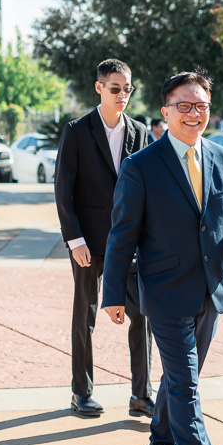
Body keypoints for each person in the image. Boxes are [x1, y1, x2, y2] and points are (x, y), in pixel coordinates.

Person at [102, 71, 223, 445]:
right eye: (184, 105)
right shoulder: (141, 166)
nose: (194, 113)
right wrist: (113, 293)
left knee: (179, 381)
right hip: (165, 292)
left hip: (212, 289)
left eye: (201, 106)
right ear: (166, 111)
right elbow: (122, 234)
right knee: (186, 384)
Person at [55, 59, 154, 420]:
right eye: (115, 88)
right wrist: (74, 239)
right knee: (86, 315)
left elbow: (148, 189)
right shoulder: (77, 131)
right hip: (89, 243)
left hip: (130, 243)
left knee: (142, 315)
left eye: (128, 89)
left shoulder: (140, 132)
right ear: (99, 88)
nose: (122, 95)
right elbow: (63, 190)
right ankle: (81, 393)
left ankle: (141, 394)